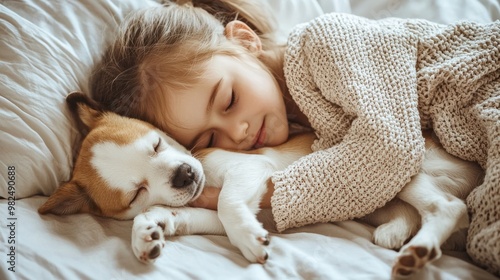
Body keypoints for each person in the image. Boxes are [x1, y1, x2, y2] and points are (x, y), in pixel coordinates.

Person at [90, 0, 500, 275]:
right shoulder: (299, 126)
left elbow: (389, 150)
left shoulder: (327, 43)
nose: (238, 132)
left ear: (245, 42)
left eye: (229, 101)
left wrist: (269, 192)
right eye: (210, 136)